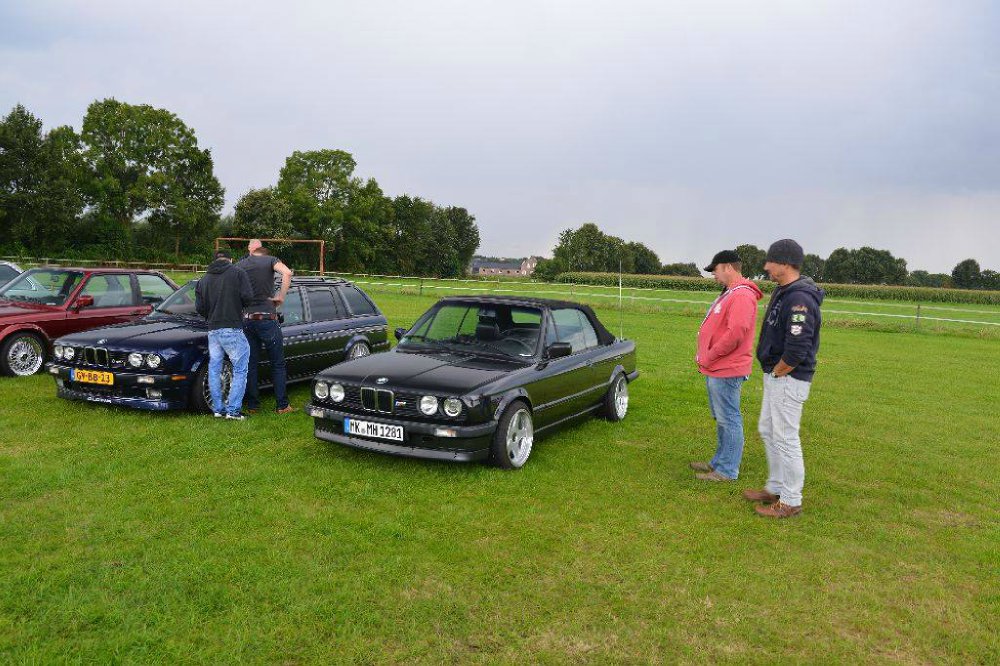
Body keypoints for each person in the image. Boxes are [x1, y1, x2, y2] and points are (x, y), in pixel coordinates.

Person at [744, 239, 824, 518]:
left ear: (786, 264)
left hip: (788, 378)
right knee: (768, 429)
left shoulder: (799, 298)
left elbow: (798, 348)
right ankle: (775, 486)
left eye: (771, 261)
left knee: (786, 436)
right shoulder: (783, 291)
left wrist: (778, 372)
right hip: (776, 375)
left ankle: (791, 500)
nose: (766, 266)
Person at [691, 250, 763, 482]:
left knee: (729, 419)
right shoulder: (731, 293)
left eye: (716, 270)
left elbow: (736, 333)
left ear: (728, 268)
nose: (714, 275)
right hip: (718, 367)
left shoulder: (741, 295)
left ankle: (727, 471)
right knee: (722, 419)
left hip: (726, 369)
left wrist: (709, 356)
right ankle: (718, 463)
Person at [236, 239, 294, 414]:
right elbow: (287, 273)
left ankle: (253, 406)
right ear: (263, 251)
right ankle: (282, 406)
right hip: (267, 319)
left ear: (250, 250)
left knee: (251, 363)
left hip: (246, 320)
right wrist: (281, 296)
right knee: (277, 363)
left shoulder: (240, 265)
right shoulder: (270, 260)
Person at [195, 250, 255, 420]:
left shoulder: (203, 279)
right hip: (232, 327)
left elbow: (199, 308)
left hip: (213, 330)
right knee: (240, 368)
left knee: (214, 369)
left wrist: (211, 314)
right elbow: (248, 297)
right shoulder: (238, 273)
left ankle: (218, 409)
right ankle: (233, 410)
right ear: (230, 259)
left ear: (214, 260)